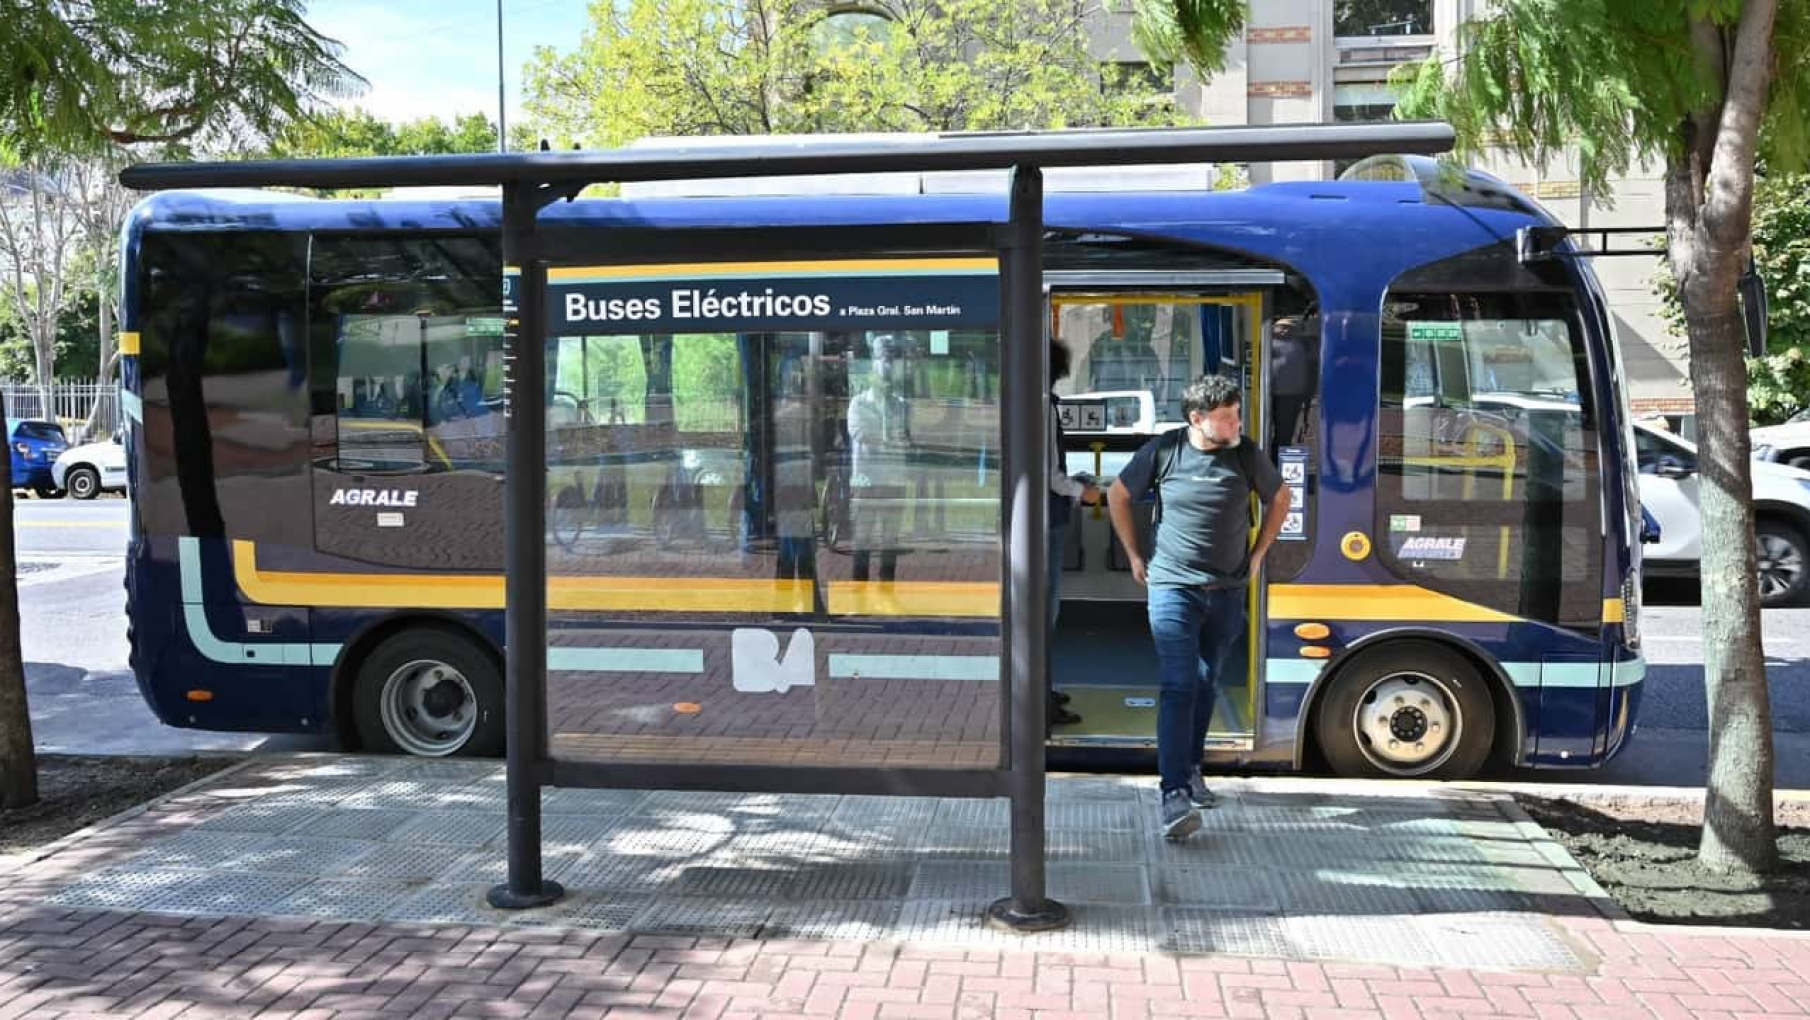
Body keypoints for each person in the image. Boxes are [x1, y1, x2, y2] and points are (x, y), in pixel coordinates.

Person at [1107, 374, 1290, 840]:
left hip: (1226, 591)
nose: (1235, 423)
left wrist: (1257, 555)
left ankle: (1190, 768)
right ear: (1197, 419)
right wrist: (1133, 555)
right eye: (1226, 417)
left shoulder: (1246, 454)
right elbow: (1118, 495)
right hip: (1172, 587)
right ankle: (1173, 795)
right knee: (1178, 684)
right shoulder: (1165, 451)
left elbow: (1281, 497)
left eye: (1236, 414)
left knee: (1208, 682)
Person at [1048, 340, 1099, 728]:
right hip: (1047, 520)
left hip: (1045, 516)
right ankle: (1042, 699)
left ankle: (1044, 689)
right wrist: (1084, 490)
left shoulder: (1037, 402)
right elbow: (1049, 474)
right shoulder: (1044, 407)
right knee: (1044, 613)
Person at [845, 333, 912, 582]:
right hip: (867, 481)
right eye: (881, 376)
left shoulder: (902, 405)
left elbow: (906, 437)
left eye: (889, 377)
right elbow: (859, 433)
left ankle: (887, 587)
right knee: (862, 537)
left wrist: (899, 439)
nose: (885, 381)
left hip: (894, 481)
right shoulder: (858, 404)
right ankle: (859, 587)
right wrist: (889, 438)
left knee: (890, 539)